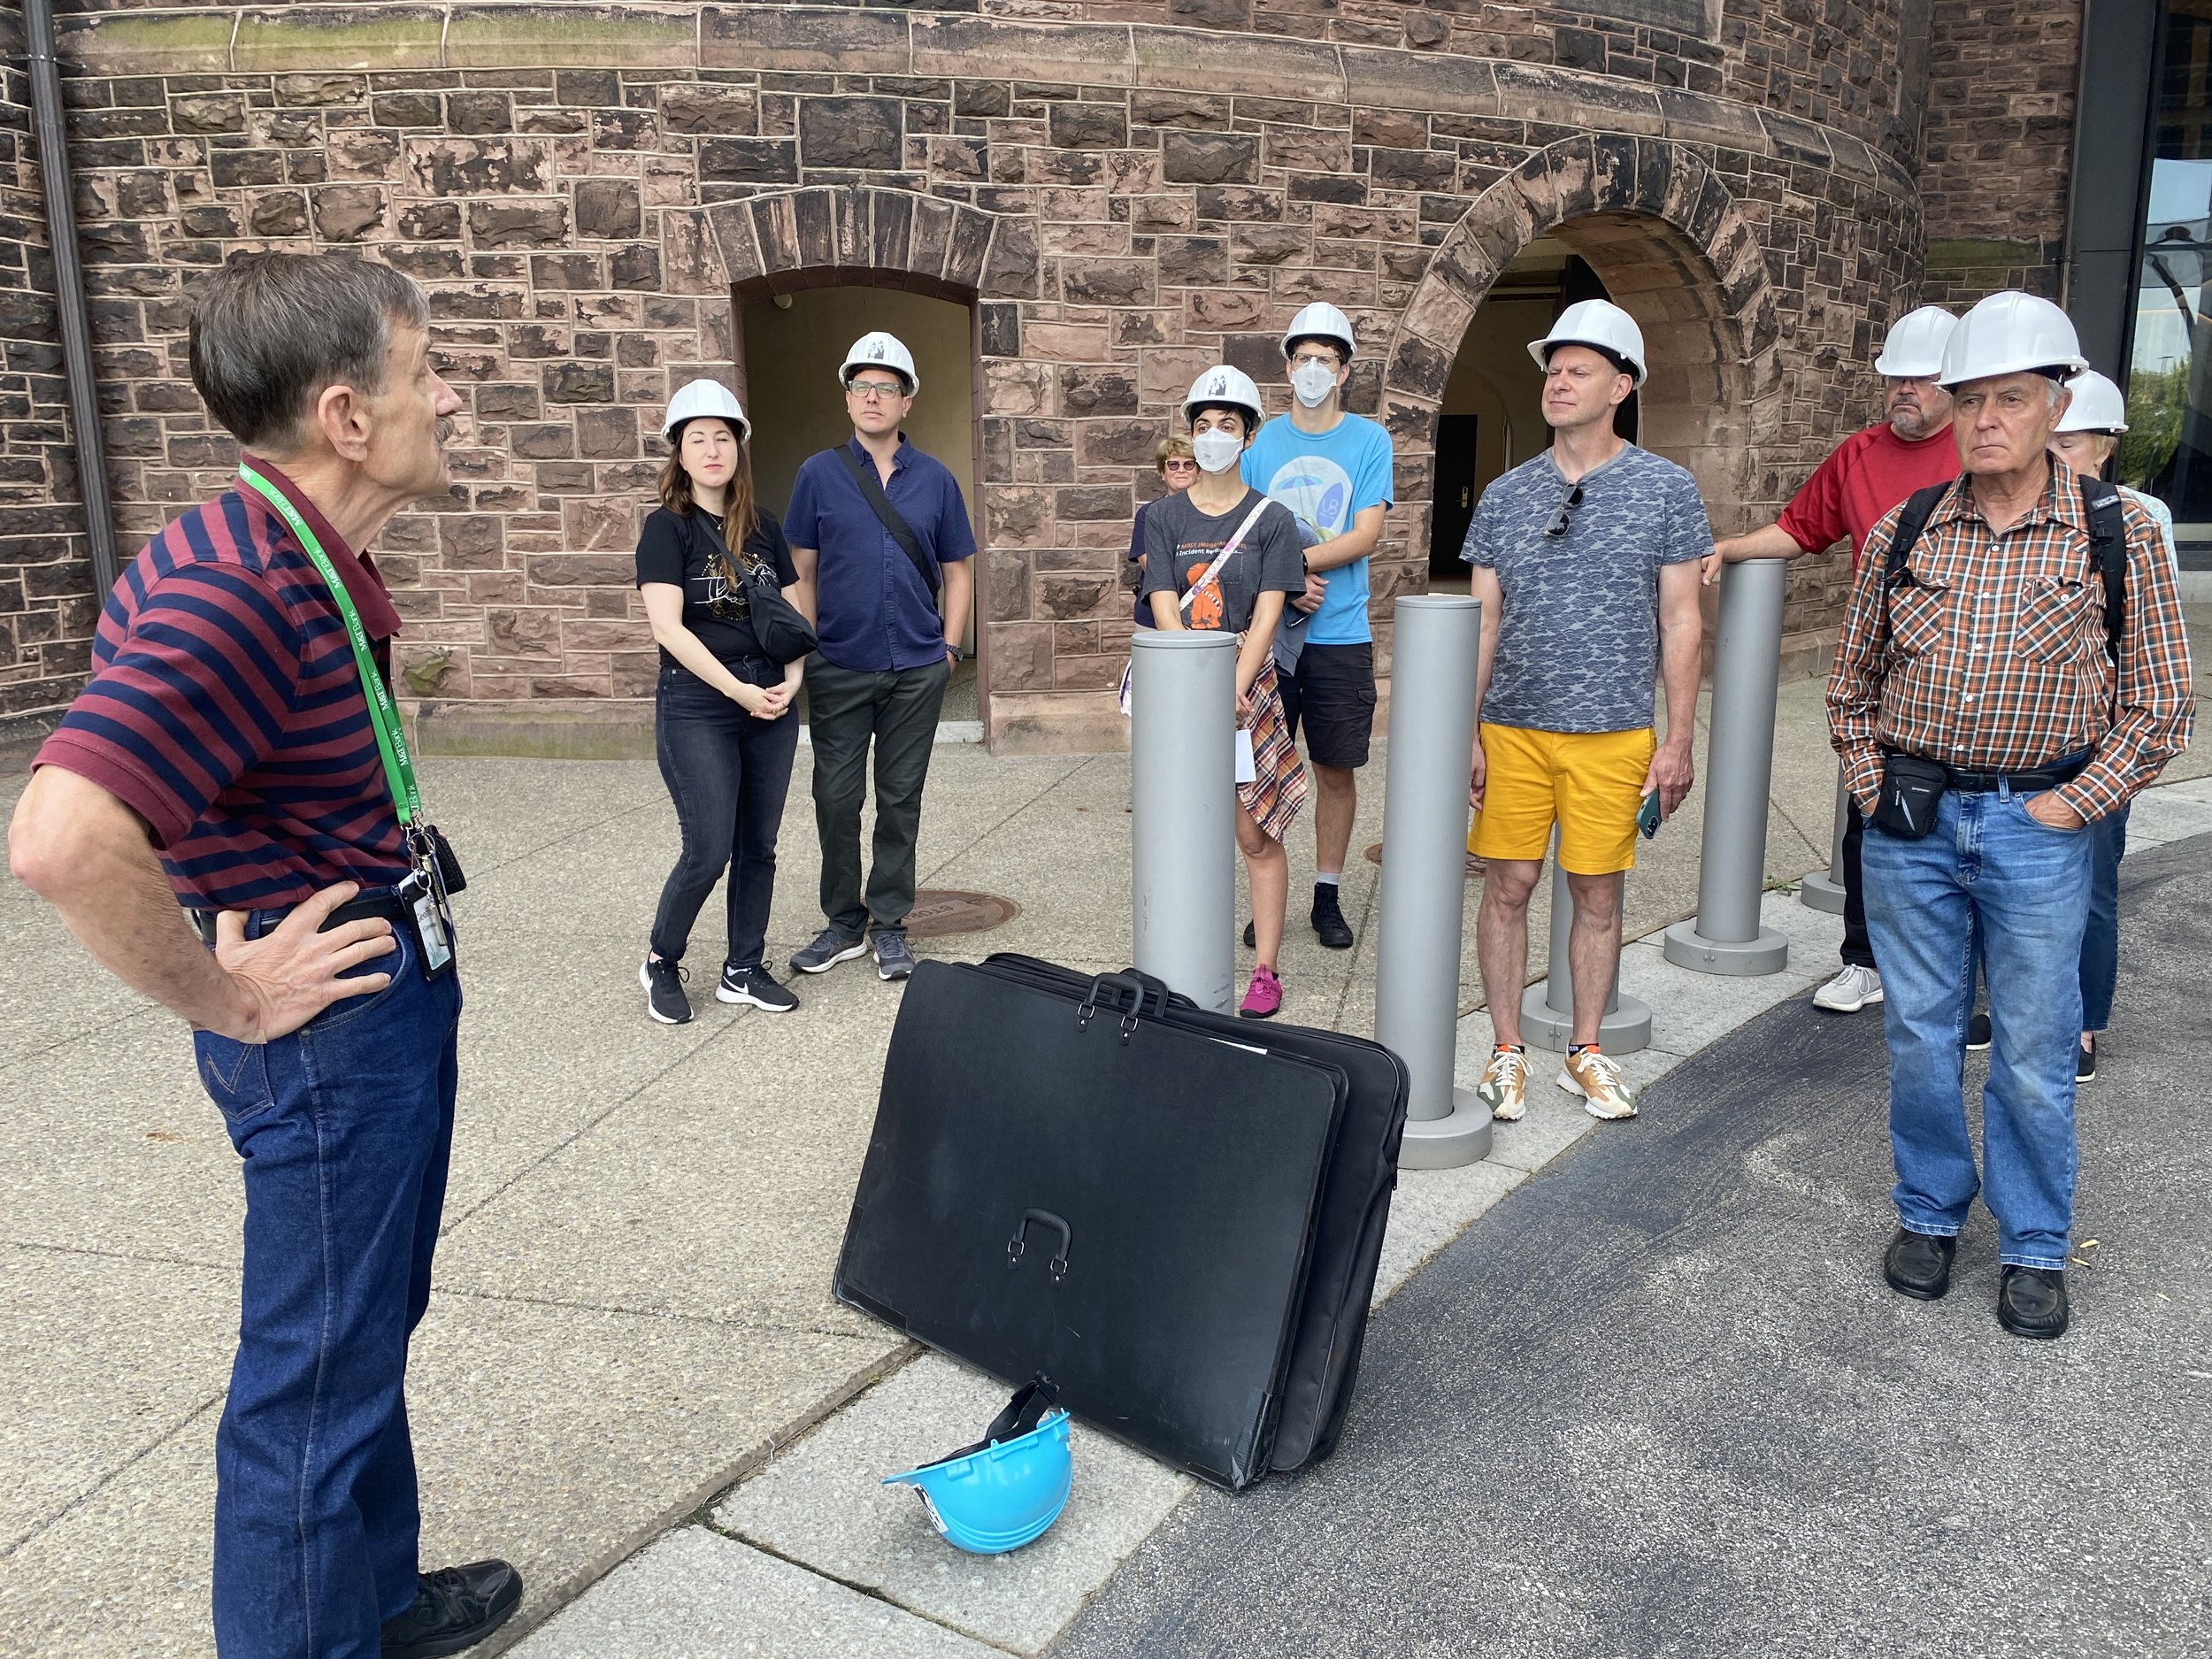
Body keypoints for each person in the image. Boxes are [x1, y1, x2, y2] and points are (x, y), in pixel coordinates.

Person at [8, 253, 520, 1657]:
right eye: (427, 372)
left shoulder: (287, 553)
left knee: (364, 1333)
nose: (453, 397)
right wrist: (227, 996)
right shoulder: (239, 588)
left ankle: (373, 1600)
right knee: (308, 1384)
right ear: (348, 415)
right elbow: (58, 835)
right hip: (325, 1041)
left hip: (376, 995)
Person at [1829, 292, 2193, 1340]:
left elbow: (2162, 701)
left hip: (2039, 825)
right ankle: (1930, 1216)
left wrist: (2071, 807)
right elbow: (1850, 686)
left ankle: (2035, 1246)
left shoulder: (2113, 531)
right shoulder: (1905, 530)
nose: (1985, 418)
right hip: (1912, 825)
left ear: (2055, 403)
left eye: (2011, 398)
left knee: (2033, 1047)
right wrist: (1867, 782)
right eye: (1970, 399)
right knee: (1918, 1034)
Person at [1463, 298, 1708, 1125]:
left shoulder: (1666, 489)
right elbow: (1482, 622)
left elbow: (1682, 619)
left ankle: (1585, 1049)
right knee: (1509, 884)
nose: (1559, 382)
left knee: (1597, 892)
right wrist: (1466, 730)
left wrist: (1678, 739)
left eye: (1580, 369)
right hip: (1514, 727)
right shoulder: (1503, 494)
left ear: (1621, 386)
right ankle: (1505, 1051)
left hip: (1615, 732)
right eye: (1554, 369)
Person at [1705, 304, 1961, 1018]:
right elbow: (1798, 529)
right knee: (1870, 808)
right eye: (1895, 379)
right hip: (1884, 666)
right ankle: (1865, 958)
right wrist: (1727, 549)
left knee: (1962, 814)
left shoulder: (1980, 448)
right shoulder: (1859, 454)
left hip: (1968, 665)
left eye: (1921, 378)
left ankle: (1953, 959)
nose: (1904, 389)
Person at [1965, 370, 2186, 1081]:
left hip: (2095, 747)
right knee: (2000, 888)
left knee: (2088, 890)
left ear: (2103, 445)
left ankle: (2083, 1020)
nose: (2056, 453)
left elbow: (2154, 646)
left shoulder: (2134, 520)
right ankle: (2008, 1005)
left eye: (2070, 440)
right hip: (2015, 749)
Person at [785, 332, 976, 984]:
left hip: (917, 669)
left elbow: (958, 571)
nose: (873, 397)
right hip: (839, 663)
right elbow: (800, 573)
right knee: (836, 798)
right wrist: (809, 650)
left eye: (886, 387)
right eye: (862, 386)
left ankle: (889, 923)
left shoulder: (937, 480)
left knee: (900, 799)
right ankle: (843, 922)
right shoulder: (817, 475)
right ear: (847, 399)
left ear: (907, 402)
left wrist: (949, 649)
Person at [1141, 365, 1309, 1018]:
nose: (1213, 437)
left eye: (1227, 426)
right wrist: (1196, 682)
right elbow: (1161, 598)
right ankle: (1179, 953)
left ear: (1248, 435)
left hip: (1248, 686)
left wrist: (1229, 689)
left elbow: (1269, 613)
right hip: (1183, 680)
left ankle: (1265, 967)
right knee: (1180, 824)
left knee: (1253, 832)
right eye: (1203, 426)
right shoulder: (1163, 516)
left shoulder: (1271, 519)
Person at [635, 379, 806, 1025]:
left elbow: (790, 613)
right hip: (700, 703)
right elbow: (668, 629)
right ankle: (660, 959)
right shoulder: (666, 530)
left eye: (723, 437)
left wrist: (792, 678)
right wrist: (736, 689)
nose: (712, 449)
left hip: (769, 693)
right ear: (678, 452)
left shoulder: (764, 527)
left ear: (739, 447)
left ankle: (743, 967)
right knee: (708, 845)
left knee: (758, 842)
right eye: (697, 438)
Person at [1240, 301, 1395, 951]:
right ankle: (1267, 892)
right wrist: (1283, 582)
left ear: (1344, 370)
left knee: (1334, 769)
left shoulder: (1368, 441)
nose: (1311, 368)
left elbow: (1365, 533)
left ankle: (1326, 893)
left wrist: (1291, 566)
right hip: (1269, 639)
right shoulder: (1262, 442)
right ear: (1287, 365)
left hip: (1339, 636)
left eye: (1324, 359)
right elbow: (1240, 534)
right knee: (1264, 771)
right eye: (1301, 357)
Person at [1127, 434, 1197, 625]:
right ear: (1162, 472)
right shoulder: (1148, 514)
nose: (1181, 470)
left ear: (1198, 470)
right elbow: (1152, 567)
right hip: (1153, 617)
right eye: (1173, 465)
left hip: (1204, 615)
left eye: (1188, 464)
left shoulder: (1214, 514)